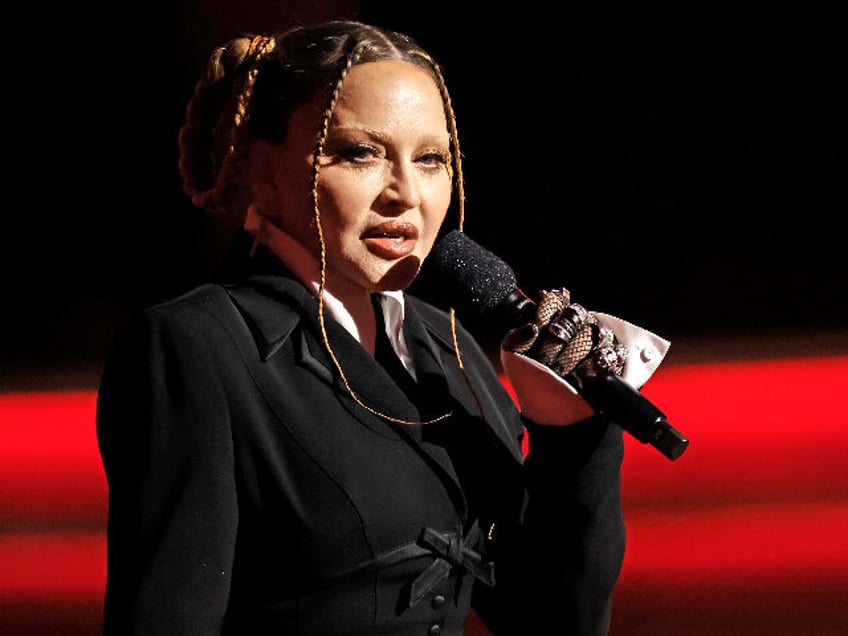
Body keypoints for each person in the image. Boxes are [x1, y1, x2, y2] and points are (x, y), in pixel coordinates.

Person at [96, 19, 669, 636]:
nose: (405, 194)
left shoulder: (450, 349)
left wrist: (571, 443)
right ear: (262, 172)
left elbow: (554, 620)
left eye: (430, 159)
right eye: (359, 153)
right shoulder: (196, 349)